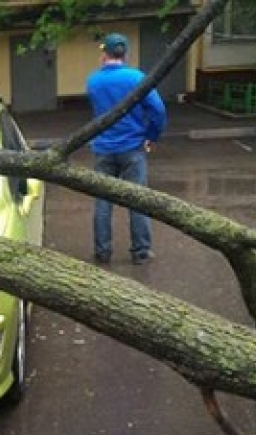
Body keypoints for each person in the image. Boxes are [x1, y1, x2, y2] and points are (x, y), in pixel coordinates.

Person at [86, 33, 167, 265]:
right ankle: (140, 252)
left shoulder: (93, 81)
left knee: (102, 201)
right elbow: (158, 110)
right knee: (137, 200)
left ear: (104, 54)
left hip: (103, 148)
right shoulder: (137, 78)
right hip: (133, 148)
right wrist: (151, 135)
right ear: (125, 53)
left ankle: (103, 252)